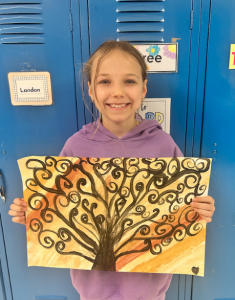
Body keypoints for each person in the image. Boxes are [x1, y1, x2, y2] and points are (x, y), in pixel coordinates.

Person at [9, 40, 215, 300]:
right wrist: (33, 212)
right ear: (91, 91)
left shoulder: (163, 145)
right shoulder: (75, 147)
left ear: (143, 89)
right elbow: (57, 207)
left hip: (149, 292)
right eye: (105, 81)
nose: (117, 92)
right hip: (93, 292)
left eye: (129, 81)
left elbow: (183, 208)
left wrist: (199, 210)